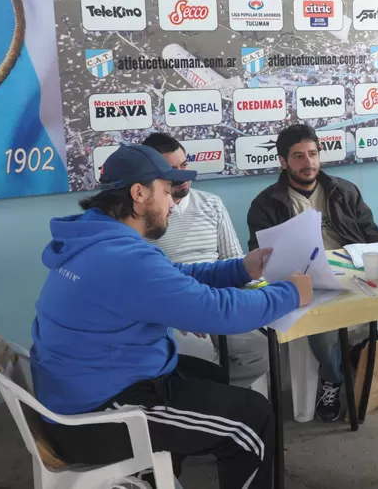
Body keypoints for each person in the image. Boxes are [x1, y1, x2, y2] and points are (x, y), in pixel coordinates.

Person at [30, 144, 313, 489]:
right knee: (252, 419)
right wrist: (291, 293)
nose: (173, 202)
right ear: (138, 193)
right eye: (166, 191)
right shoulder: (123, 259)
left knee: (211, 376)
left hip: (79, 391)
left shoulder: (94, 239)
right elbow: (219, 312)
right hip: (98, 418)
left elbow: (172, 276)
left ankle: (164, 472)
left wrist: (239, 268)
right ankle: (161, 467)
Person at [247, 124, 378, 423]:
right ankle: (333, 376)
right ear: (283, 162)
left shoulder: (343, 190)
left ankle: (363, 353)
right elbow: (261, 258)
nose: (309, 163)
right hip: (306, 281)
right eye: (298, 156)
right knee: (324, 324)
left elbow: (373, 236)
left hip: (355, 272)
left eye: (313, 154)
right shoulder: (266, 204)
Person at [141, 132, 269, 389]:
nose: (182, 175)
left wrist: (229, 305)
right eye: (172, 169)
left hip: (218, 300)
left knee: (261, 348)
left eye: (184, 165)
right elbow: (147, 282)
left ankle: (225, 398)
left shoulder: (211, 203)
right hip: (175, 307)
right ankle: (211, 402)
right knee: (198, 353)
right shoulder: (144, 217)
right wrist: (185, 309)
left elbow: (234, 262)